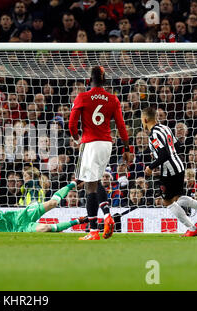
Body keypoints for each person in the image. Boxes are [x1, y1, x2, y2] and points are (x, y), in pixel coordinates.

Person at [69, 66, 131, 240]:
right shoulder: (113, 99)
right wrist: (127, 148)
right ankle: (101, 222)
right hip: (107, 144)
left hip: (90, 143)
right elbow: (121, 126)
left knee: (90, 185)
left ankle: (98, 225)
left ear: (90, 79)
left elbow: (72, 125)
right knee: (94, 181)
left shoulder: (82, 97)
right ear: (104, 80)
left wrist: (76, 139)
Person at [141, 106, 197, 237]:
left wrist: (151, 166)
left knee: (168, 202)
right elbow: (177, 146)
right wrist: (157, 154)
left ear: (145, 119)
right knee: (177, 198)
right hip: (179, 167)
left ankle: (192, 228)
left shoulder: (153, 135)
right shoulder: (165, 128)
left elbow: (164, 155)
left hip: (169, 172)